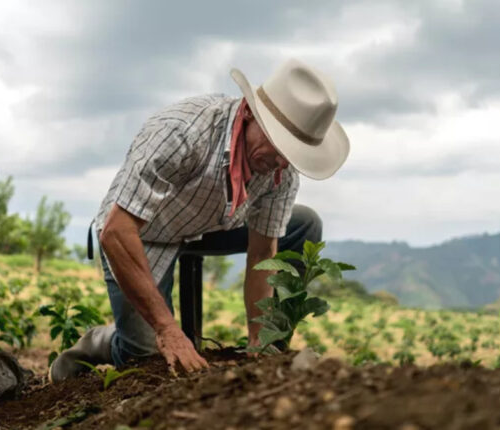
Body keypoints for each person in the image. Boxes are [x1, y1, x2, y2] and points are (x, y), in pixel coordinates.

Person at [49, 58, 350, 381]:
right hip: (142, 232)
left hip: (210, 224)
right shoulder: (182, 133)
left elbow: (263, 253)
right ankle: (100, 341)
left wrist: (259, 340)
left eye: (291, 155)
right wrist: (167, 329)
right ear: (249, 113)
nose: (280, 163)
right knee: (146, 357)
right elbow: (116, 232)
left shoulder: (280, 169)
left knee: (305, 223)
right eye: (278, 146)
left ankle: (271, 348)